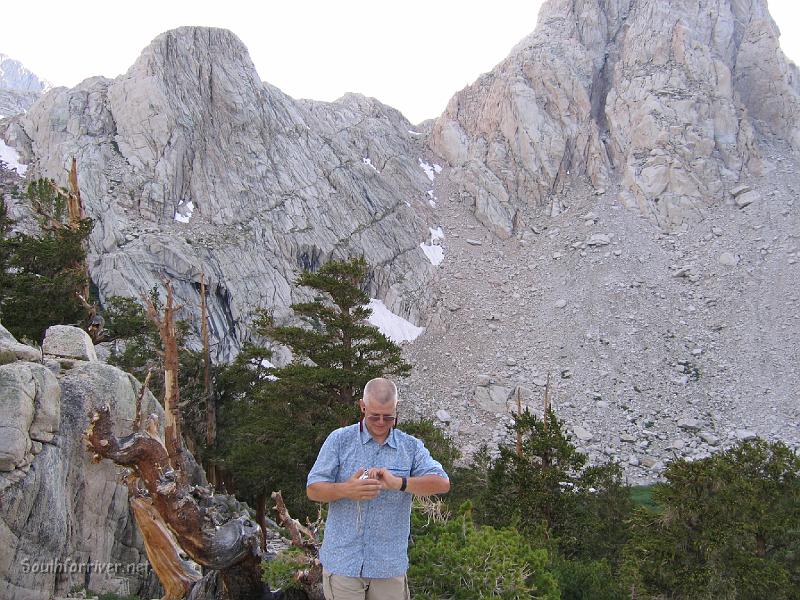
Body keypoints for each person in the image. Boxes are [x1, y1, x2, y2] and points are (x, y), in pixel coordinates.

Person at [306, 377, 450, 600]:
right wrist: (347, 490)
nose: (381, 422)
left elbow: (442, 482)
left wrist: (399, 483)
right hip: (343, 562)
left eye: (389, 416)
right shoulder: (339, 440)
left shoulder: (410, 446)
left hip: (388, 566)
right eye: (374, 415)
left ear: (396, 408)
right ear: (362, 407)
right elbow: (313, 489)